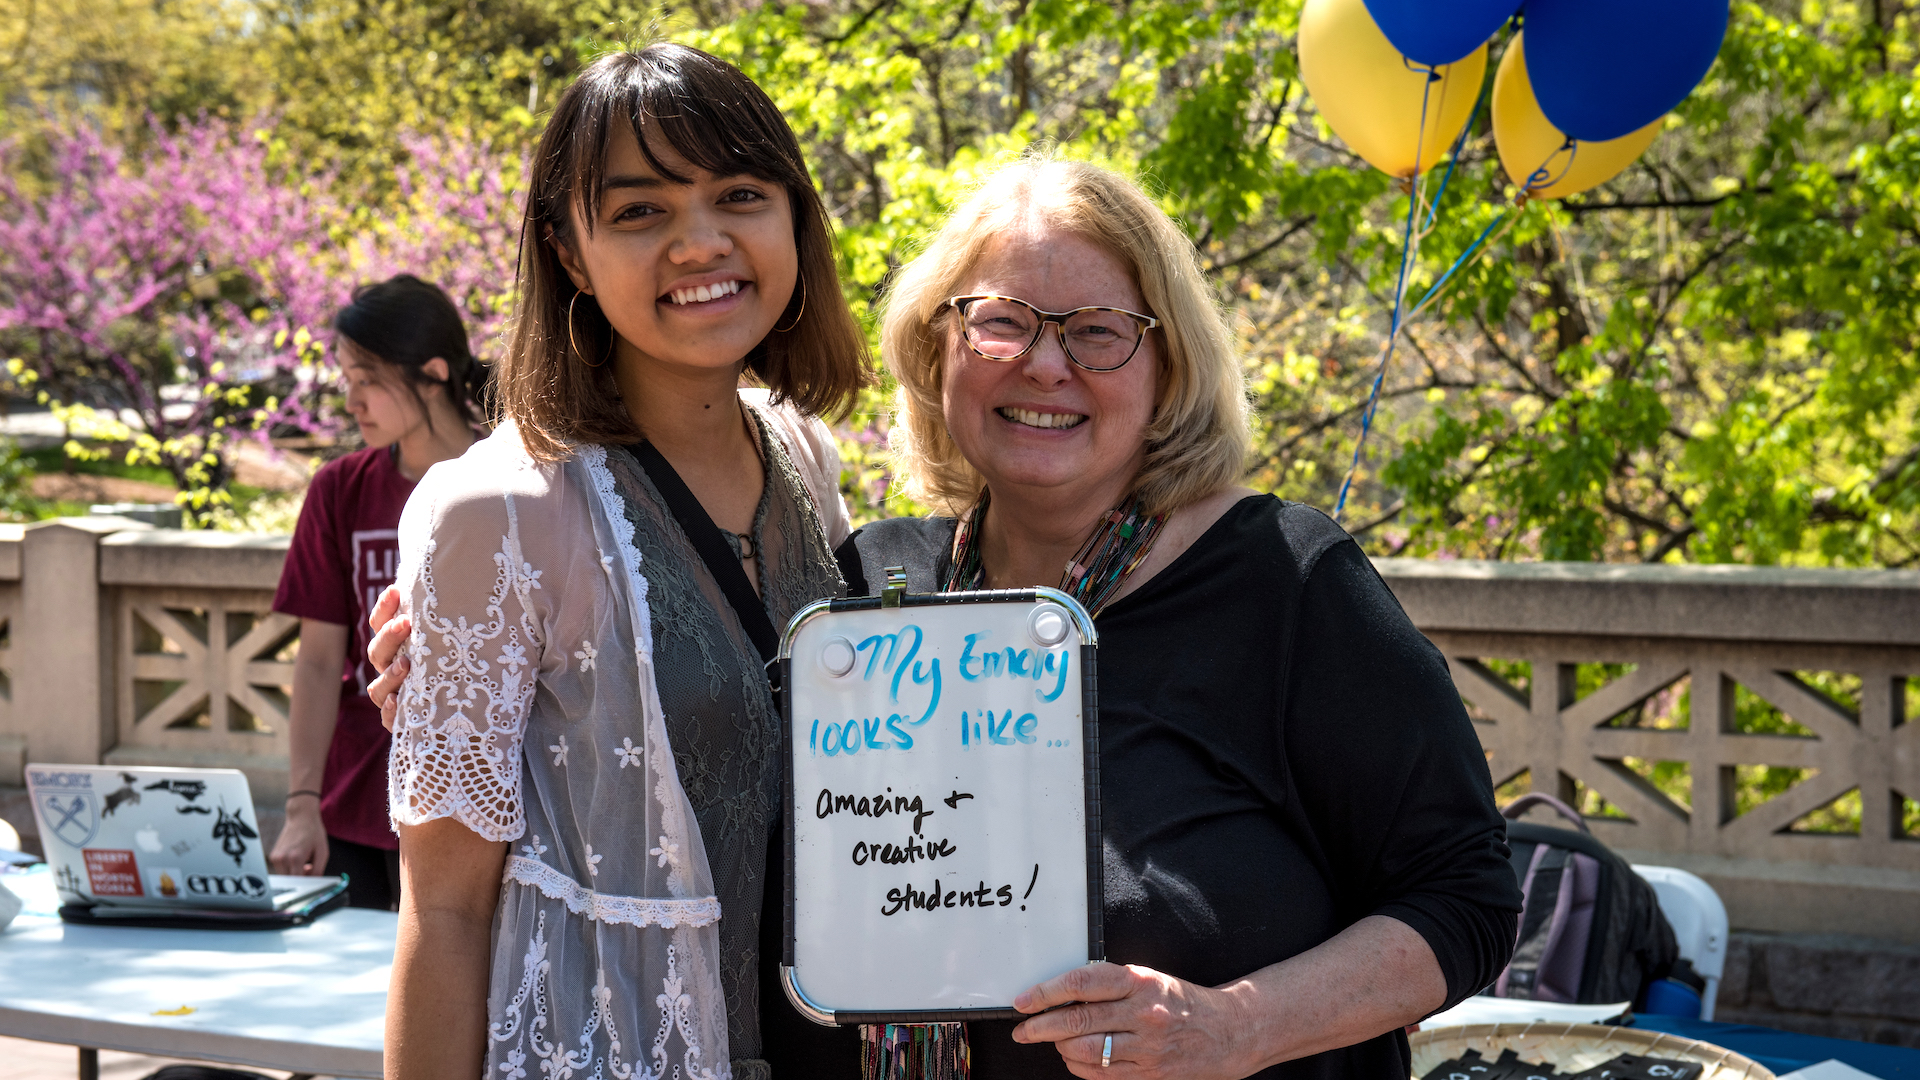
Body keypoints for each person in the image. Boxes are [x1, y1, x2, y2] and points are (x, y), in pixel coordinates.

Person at [820, 154, 1524, 1078]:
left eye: (1099, 332)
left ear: (1168, 366)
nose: (1044, 364)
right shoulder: (868, 589)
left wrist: (1232, 1025)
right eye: (1000, 324)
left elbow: (1464, 898)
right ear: (932, 345)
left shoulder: (1285, 580)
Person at [367, 44, 868, 1080]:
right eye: (639, 211)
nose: (701, 241)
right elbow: (446, 909)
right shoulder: (502, 512)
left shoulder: (803, 454)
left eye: (739, 194)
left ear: (793, 219)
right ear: (568, 253)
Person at [268, 274, 485, 910]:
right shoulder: (339, 490)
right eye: (347, 381)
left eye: (369, 379)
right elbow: (315, 661)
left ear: (434, 372)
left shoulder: (511, 484)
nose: (353, 400)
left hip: (479, 799)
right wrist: (301, 805)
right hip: (355, 802)